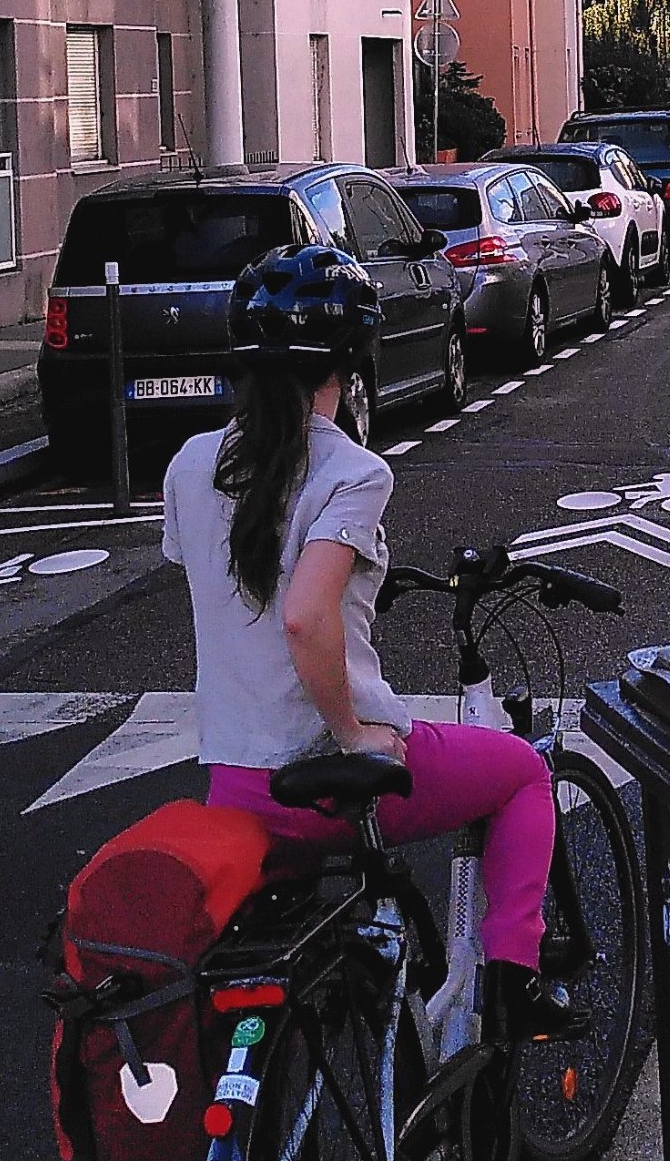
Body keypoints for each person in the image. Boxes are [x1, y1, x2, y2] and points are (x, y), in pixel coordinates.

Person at [161, 242, 574, 1040]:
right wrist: (355, 736)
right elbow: (304, 616)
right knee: (522, 773)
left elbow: (220, 584)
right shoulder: (351, 470)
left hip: (235, 785)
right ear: (351, 360)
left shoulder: (189, 465)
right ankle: (514, 983)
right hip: (324, 784)